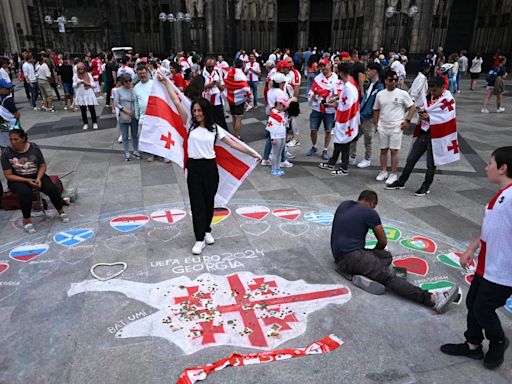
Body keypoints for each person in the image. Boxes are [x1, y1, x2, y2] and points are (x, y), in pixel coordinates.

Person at [156, 73, 261, 254]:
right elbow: (176, 101)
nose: (196, 114)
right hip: (194, 168)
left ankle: (206, 231)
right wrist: (166, 83)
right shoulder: (189, 124)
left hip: (210, 168)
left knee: (208, 202)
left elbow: (233, 143)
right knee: (197, 204)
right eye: (195, 111)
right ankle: (199, 238)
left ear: (205, 112)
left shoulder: (215, 130)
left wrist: (252, 152)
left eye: (199, 111)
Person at [441, 146, 512, 369]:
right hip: (487, 265)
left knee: (483, 308)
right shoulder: (501, 196)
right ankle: (472, 345)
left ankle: (498, 341)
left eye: (490, 163)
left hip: (503, 270)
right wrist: (472, 248)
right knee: (473, 303)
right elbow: (491, 228)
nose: (485, 167)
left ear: (503, 168)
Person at [331, 189, 458, 313]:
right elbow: (382, 241)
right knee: (389, 277)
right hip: (352, 257)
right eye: (374, 206)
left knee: (385, 256)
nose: (374, 209)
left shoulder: (345, 204)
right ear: (372, 202)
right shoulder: (369, 212)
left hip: (340, 255)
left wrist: (372, 257)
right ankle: (433, 299)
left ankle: (364, 272)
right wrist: (372, 258)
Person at [386, 76, 458, 196]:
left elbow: (447, 117)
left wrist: (430, 117)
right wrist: (422, 113)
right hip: (423, 133)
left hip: (436, 136)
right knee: (411, 159)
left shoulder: (448, 99)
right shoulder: (428, 96)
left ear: (442, 88)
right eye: (430, 90)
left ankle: (426, 186)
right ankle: (401, 181)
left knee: (431, 164)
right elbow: (422, 106)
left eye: (435, 90)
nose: (432, 92)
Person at [1, 129, 69, 233]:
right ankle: (27, 220)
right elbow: (8, 175)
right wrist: (27, 180)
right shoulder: (6, 152)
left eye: (16, 139)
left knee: (52, 188)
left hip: (36, 175)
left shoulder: (34, 147)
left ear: (23, 138)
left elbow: (42, 165)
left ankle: (61, 211)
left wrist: (38, 178)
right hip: (18, 179)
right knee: (25, 193)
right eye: (11, 140)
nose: (13, 142)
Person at [373, 70, 415, 185]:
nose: (393, 82)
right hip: (383, 125)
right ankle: (383, 171)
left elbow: (412, 107)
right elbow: (376, 109)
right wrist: (376, 123)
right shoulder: (380, 94)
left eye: (395, 80)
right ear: (386, 81)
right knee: (383, 150)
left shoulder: (402, 94)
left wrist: (407, 120)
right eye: (391, 80)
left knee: (394, 150)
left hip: (396, 126)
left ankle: (393, 173)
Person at [319, 62, 359, 176]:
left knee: (343, 143)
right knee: (338, 142)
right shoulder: (350, 84)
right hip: (347, 119)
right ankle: (332, 162)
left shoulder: (348, 87)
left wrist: (333, 104)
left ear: (341, 73)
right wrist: (335, 100)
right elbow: (343, 102)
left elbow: (345, 106)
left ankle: (344, 167)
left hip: (346, 120)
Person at [349, 63, 384, 168]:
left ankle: (367, 159)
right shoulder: (369, 84)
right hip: (362, 115)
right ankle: (352, 156)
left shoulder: (379, 87)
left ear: (375, 71)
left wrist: (373, 116)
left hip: (369, 117)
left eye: (369, 70)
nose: (367, 72)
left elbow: (378, 104)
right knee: (354, 136)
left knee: (368, 139)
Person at [307, 57, 339, 160]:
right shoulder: (317, 78)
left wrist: (334, 101)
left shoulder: (336, 78)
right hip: (317, 108)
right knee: (313, 129)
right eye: (321, 66)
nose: (322, 68)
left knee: (328, 130)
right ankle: (314, 146)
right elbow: (311, 91)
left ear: (329, 64)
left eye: (324, 65)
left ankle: (325, 149)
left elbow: (338, 94)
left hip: (329, 110)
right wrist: (313, 96)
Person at [115, 74, 141, 161]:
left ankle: (136, 150)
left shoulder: (133, 90)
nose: (128, 83)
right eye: (126, 81)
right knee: (125, 136)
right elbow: (116, 103)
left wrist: (136, 112)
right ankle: (127, 152)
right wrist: (125, 110)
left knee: (135, 135)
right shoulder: (118, 91)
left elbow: (136, 101)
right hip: (124, 115)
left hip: (133, 115)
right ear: (122, 82)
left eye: (129, 81)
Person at [224, 59, 252, 140]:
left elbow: (225, 82)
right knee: (238, 118)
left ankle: (234, 134)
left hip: (230, 98)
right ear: (242, 65)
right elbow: (246, 88)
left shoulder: (228, 73)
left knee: (233, 117)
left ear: (234, 64)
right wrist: (248, 97)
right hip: (239, 100)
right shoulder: (242, 75)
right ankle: (238, 137)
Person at [133, 65, 153, 161]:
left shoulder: (153, 84)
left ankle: (162, 154)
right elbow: (136, 102)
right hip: (143, 115)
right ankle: (151, 153)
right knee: (146, 135)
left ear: (147, 73)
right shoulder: (136, 87)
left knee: (156, 134)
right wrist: (137, 114)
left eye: (144, 73)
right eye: (140, 73)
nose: (142, 75)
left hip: (154, 114)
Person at [266, 95, 289, 176]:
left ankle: (278, 167)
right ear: (278, 104)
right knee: (275, 153)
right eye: (283, 106)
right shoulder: (273, 114)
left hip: (282, 135)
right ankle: (273, 169)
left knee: (279, 153)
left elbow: (283, 123)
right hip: (276, 136)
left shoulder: (281, 113)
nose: (284, 108)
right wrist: (273, 138)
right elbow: (271, 127)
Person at [203, 57, 227, 130]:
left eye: (212, 66)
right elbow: (198, 89)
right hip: (206, 102)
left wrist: (218, 84)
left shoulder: (218, 72)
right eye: (209, 67)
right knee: (209, 123)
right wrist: (208, 85)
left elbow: (223, 88)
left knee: (221, 123)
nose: (211, 68)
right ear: (205, 65)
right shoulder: (201, 74)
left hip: (217, 102)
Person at [73, 62, 98, 130]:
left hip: (88, 93)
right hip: (80, 94)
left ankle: (94, 122)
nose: (81, 71)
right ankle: (85, 123)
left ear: (84, 68)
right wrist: (78, 83)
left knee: (91, 109)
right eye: (79, 69)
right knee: (83, 110)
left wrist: (86, 83)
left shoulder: (88, 74)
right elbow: (74, 85)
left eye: (82, 69)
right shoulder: (75, 76)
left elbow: (94, 85)